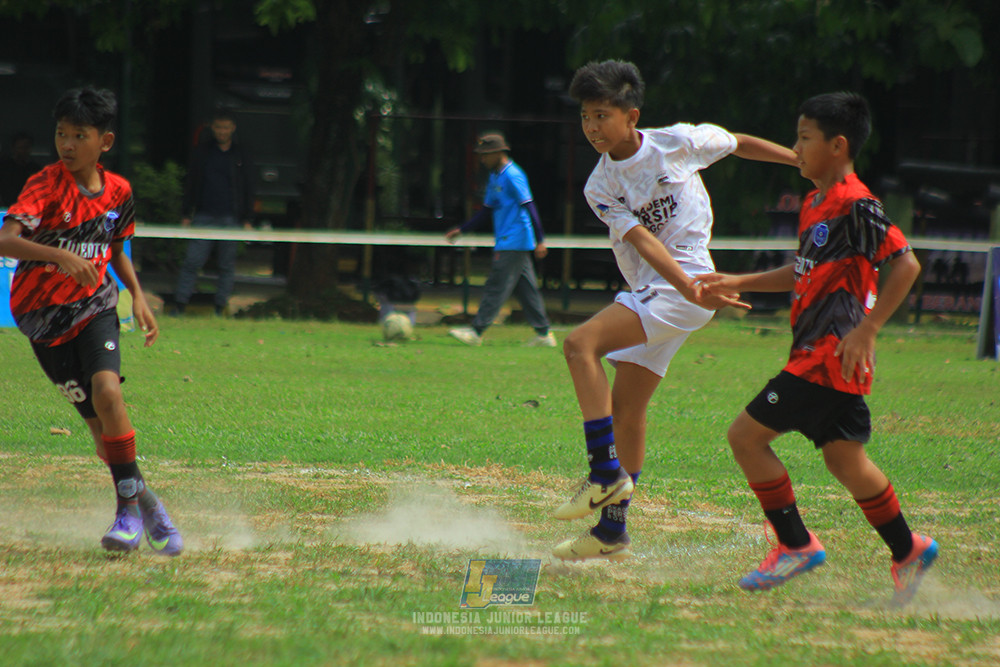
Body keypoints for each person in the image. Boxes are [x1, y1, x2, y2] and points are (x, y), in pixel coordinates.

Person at [551, 60, 797, 561]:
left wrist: (798, 161)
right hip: (670, 289)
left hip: (684, 285)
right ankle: (612, 531)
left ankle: (604, 473)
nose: (592, 127)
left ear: (631, 116)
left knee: (579, 345)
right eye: (585, 117)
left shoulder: (677, 142)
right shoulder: (600, 185)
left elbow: (737, 143)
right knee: (627, 409)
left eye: (601, 115)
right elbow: (641, 238)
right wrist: (686, 288)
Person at [696, 92, 935, 605]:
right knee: (846, 461)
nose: (796, 148)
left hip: (827, 358)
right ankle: (908, 548)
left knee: (745, 438)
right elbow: (803, 270)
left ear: (837, 145)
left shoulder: (856, 203)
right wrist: (739, 280)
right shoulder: (814, 203)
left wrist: (868, 328)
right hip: (827, 361)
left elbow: (906, 263)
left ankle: (795, 544)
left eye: (804, 138)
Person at [0, 86, 182, 556]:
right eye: (61, 133)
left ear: (105, 141)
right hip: (42, 319)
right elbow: (6, 239)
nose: (67, 144)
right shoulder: (45, 185)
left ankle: (125, 514)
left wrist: (137, 296)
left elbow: (117, 250)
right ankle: (149, 504)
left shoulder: (119, 191)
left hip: (96, 306)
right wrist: (59, 256)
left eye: (79, 135)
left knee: (108, 393)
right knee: (103, 437)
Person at [446, 132, 556, 347]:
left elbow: (529, 205)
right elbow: (486, 211)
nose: (482, 159)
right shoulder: (495, 177)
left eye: (485, 155)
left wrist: (540, 240)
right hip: (508, 240)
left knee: (496, 286)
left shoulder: (513, 175)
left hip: (514, 240)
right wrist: (462, 229)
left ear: (498, 153)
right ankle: (544, 335)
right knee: (526, 290)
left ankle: (476, 332)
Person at [172, 109, 255, 317]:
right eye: (218, 127)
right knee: (192, 262)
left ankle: (220, 307)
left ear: (232, 128)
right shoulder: (202, 151)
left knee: (226, 265)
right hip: (204, 215)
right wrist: (186, 214)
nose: (222, 132)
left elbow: (248, 186)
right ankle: (180, 305)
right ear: (212, 128)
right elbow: (191, 183)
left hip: (231, 217)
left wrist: (247, 218)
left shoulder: (240, 154)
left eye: (226, 127)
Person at [0, 130, 43, 206]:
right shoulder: (4, 167)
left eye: (26, 147)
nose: (23, 151)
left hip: (29, 208)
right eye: (20, 147)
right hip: (6, 208)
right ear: (13, 148)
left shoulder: (35, 169)